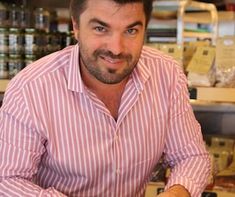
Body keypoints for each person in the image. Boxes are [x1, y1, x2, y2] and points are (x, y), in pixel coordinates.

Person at [0, 0, 211, 196]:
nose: (116, 49)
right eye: (100, 28)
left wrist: (176, 192)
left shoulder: (166, 74)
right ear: (76, 26)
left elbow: (191, 157)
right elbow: (7, 180)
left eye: (131, 30)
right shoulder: (30, 88)